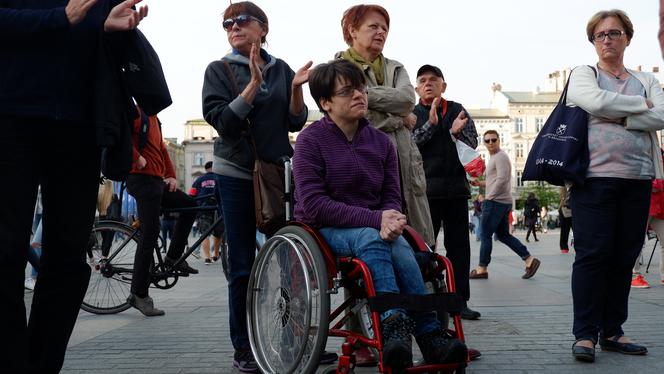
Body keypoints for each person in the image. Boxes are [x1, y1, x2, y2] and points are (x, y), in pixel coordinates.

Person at [0, 1, 147, 372]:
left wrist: (113, 30)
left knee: (68, 256)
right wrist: (59, 17)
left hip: (79, 124)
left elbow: (104, 52)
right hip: (10, 117)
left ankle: (42, 364)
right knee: (5, 247)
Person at [294, 59, 468, 371]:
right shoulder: (310, 141)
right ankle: (400, 327)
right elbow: (314, 203)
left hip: (377, 229)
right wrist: (378, 220)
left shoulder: (379, 142)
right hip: (323, 229)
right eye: (347, 91)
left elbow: (391, 194)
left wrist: (392, 218)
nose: (359, 95)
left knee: (398, 241)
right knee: (374, 237)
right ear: (326, 103)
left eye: (360, 88)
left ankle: (426, 335)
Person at [201, 2, 313, 371]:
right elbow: (223, 123)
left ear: (263, 28)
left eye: (241, 20)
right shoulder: (218, 70)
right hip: (235, 172)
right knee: (243, 264)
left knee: (290, 259)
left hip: (276, 173)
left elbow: (296, 121)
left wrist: (295, 88)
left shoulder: (280, 68)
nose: (233, 27)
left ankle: (293, 339)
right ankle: (245, 347)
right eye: (227, 24)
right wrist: (251, 86)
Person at [566, 9, 664, 362]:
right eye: (600, 35)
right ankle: (585, 334)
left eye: (614, 33)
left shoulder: (645, 79)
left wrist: (614, 112)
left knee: (624, 258)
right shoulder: (583, 75)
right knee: (593, 256)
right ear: (593, 41)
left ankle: (612, 330)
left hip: (638, 179)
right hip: (593, 178)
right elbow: (593, 101)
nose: (607, 39)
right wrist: (639, 109)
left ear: (627, 38)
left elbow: (663, 113)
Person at [336, 4, 435, 247]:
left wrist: (365, 93)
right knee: (374, 244)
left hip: (406, 162)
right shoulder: (338, 69)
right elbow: (356, 116)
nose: (381, 32)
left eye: (385, 28)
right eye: (373, 26)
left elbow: (406, 99)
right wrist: (399, 119)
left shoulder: (395, 67)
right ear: (353, 30)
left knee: (419, 243)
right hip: (366, 160)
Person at [411, 64, 480, 321]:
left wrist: (455, 133)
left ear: (444, 86)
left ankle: (459, 301)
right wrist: (430, 125)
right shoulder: (412, 113)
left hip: (456, 192)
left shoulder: (457, 110)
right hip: (425, 193)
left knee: (459, 249)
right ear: (417, 87)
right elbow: (410, 145)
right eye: (423, 80)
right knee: (425, 249)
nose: (428, 83)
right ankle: (429, 300)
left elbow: (473, 143)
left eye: (434, 79)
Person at [125, 109, 199, 316]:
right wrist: (136, 156)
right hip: (140, 178)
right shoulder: (134, 112)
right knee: (150, 232)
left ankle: (173, 257)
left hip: (157, 181)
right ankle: (139, 294)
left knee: (190, 205)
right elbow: (118, 135)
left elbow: (162, 150)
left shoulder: (154, 118)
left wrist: (171, 176)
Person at [469, 131, 541, 280]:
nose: (490, 143)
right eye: (487, 141)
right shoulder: (495, 157)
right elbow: (495, 180)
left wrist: (489, 197)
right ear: (484, 143)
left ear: (499, 140)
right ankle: (529, 260)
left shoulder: (500, 156)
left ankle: (482, 268)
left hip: (495, 202)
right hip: (502, 201)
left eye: (493, 140)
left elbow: (502, 180)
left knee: (485, 235)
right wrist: (480, 183)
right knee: (503, 235)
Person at [632, 166, 664, 288]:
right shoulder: (649, 152)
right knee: (637, 241)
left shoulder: (659, 153)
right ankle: (635, 275)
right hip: (645, 203)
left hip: (659, 204)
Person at [190, 161, 225, 264]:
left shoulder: (199, 180)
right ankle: (215, 255)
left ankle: (207, 257)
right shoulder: (219, 178)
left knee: (204, 234)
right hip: (218, 209)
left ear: (206, 169)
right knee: (218, 233)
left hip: (204, 209)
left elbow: (192, 195)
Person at [559, 186, 573, 254]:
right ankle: (564, 247)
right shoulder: (563, 187)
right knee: (565, 230)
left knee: (576, 230)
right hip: (565, 210)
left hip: (571, 209)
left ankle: (564, 247)